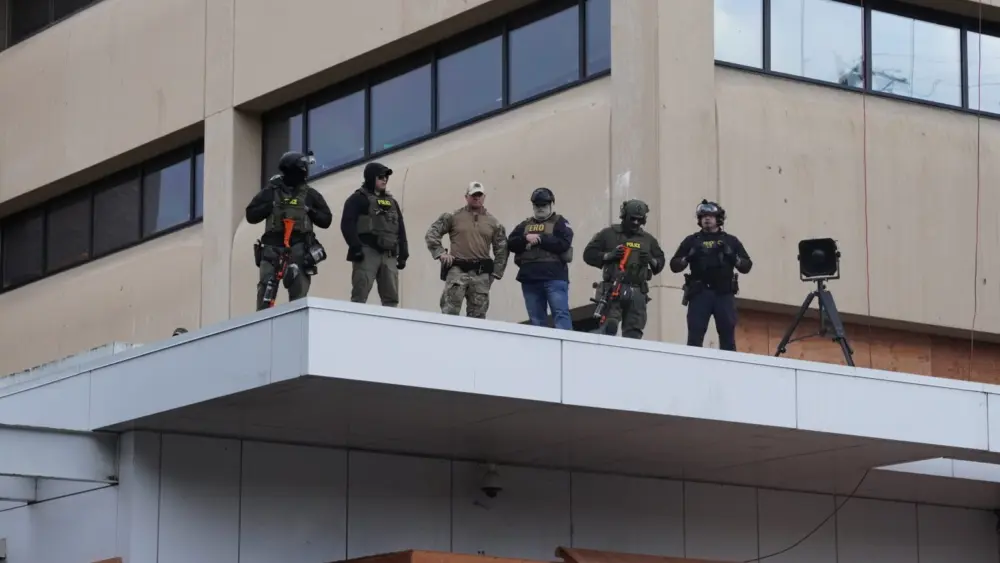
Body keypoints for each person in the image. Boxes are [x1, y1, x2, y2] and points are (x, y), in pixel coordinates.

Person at [246, 151, 333, 311]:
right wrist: (269, 206)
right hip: (272, 250)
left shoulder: (310, 195)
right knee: (266, 295)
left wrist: (310, 210)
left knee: (298, 296)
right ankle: (263, 329)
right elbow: (250, 215)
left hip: (299, 249)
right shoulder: (271, 191)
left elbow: (326, 219)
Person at [669, 199, 753, 351]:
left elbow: (747, 266)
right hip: (699, 293)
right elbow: (674, 266)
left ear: (718, 219)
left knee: (728, 337)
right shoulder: (692, 240)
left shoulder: (730, 241)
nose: (707, 219)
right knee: (695, 337)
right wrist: (688, 257)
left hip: (724, 294)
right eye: (703, 216)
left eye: (711, 216)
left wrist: (732, 257)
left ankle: (728, 369)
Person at [582, 199, 666, 339]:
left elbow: (661, 261)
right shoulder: (608, 234)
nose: (635, 223)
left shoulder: (648, 240)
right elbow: (588, 255)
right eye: (632, 219)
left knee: (634, 332)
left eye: (639, 220)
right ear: (624, 216)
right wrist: (609, 255)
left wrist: (651, 260)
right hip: (614, 289)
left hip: (638, 290)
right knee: (609, 327)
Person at [425, 181, 509, 319]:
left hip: (481, 274)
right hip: (457, 270)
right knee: (449, 315)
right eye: (473, 195)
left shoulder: (494, 223)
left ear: (484, 197)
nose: (476, 198)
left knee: (478, 318)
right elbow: (432, 233)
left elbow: (502, 249)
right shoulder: (453, 217)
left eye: (479, 195)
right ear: (466, 197)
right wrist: (441, 253)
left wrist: (495, 273)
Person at [340, 161, 409, 307]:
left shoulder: (392, 202)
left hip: (389, 254)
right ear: (371, 177)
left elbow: (400, 228)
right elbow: (347, 224)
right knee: (360, 294)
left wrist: (403, 252)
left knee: (391, 299)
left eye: (386, 177)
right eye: (380, 176)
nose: (384, 179)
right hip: (367, 252)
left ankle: (390, 328)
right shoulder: (358, 199)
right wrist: (356, 247)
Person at [507, 187, 574, 329]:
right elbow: (511, 243)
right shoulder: (525, 225)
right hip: (530, 279)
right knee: (536, 320)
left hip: (554, 277)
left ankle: (566, 350)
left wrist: (541, 239)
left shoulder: (560, 222)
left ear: (551, 204)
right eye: (537, 205)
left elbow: (564, 243)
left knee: (560, 315)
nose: (540, 208)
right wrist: (526, 238)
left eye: (544, 205)